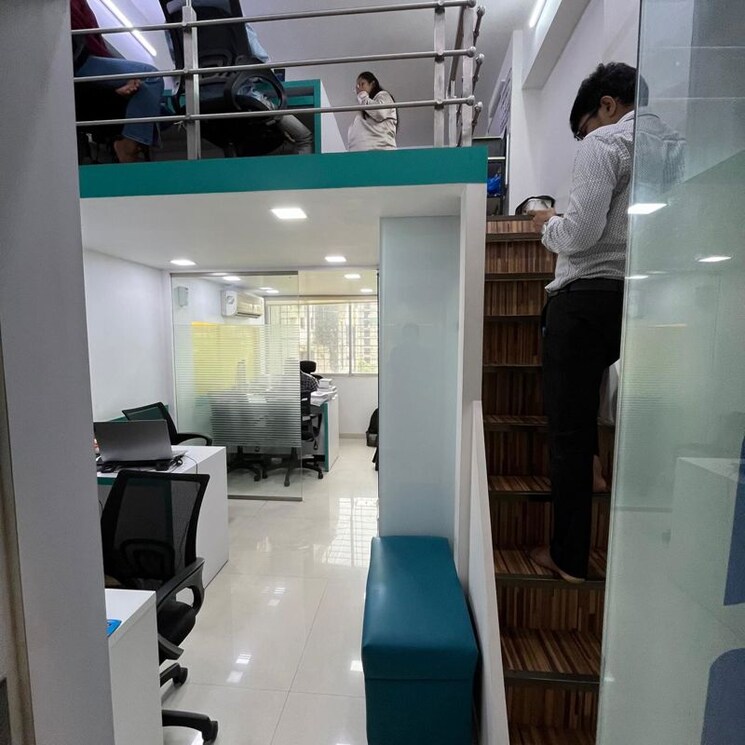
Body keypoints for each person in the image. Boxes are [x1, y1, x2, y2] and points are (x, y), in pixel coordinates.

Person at [529, 62, 637, 583]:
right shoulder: (669, 147)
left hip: (584, 298)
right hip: (634, 298)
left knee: (567, 429)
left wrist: (548, 224)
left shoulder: (605, 143)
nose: (584, 137)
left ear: (607, 105)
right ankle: (595, 469)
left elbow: (580, 235)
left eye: (583, 126)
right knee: (591, 396)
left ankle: (569, 558)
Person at [167, 0, 313, 155]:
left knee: (231, 143)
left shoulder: (176, 15)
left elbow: (179, 60)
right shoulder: (228, 11)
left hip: (198, 102)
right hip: (242, 96)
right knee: (304, 137)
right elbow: (260, 60)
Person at [71, 0, 163, 162]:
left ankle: (133, 144)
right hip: (79, 62)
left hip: (81, 61)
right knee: (150, 76)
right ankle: (130, 145)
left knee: (147, 91)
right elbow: (88, 41)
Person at [348, 71, 398, 152]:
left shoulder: (384, 96)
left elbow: (379, 112)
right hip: (360, 153)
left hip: (381, 151)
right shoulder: (363, 108)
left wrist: (362, 96)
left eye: (362, 84)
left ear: (372, 84)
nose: (359, 88)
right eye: (358, 86)